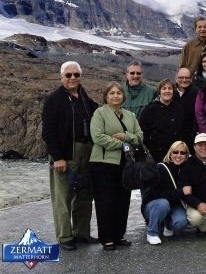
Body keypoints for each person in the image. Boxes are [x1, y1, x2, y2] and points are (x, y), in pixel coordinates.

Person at [42, 61, 99, 251]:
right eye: (68, 75)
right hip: (66, 153)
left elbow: (97, 112)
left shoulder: (83, 95)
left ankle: (81, 233)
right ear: (62, 77)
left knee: (84, 193)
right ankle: (65, 236)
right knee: (63, 196)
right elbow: (48, 132)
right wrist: (57, 157)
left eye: (76, 74)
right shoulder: (54, 100)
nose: (73, 78)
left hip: (87, 150)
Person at [89, 81, 144, 251]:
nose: (115, 96)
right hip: (103, 163)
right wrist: (121, 144)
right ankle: (106, 238)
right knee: (105, 201)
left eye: (118, 93)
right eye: (111, 93)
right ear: (106, 96)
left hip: (125, 164)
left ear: (123, 96)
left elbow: (140, 136)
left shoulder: (130, 115)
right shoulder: (99, 113)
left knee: (123, 199)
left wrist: (126, 135)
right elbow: (97, 137)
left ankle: (119, 235)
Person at [141, 141, 193, 245]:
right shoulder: (160, 168)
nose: (178, 155)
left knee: (180, 222)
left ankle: (168, 224)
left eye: (182, 153)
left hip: (173, 205)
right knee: (163, 203)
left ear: (187, 156)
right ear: (170, 153)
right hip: (153, 206)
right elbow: (156, 195)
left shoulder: (186, 169)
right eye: (175, 152)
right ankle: (152, 233)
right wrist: (181, 191)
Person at [139, 79, 184, 162]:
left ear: (173, 91)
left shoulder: (178, 108)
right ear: (159, 92)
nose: (167, 91)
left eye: (169, 88)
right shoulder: (149, 110)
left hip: (174, 153)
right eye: (164, 88)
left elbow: (181, 130)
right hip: (155, 154)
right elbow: (143, 133)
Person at [173, 67, 198, 148]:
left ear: (191, 79)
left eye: (187, 77)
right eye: (181, 77)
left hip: (190, 136)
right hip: (171, 135)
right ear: (176, 78)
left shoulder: (197, 93)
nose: (184, 80)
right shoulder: (170, 91)